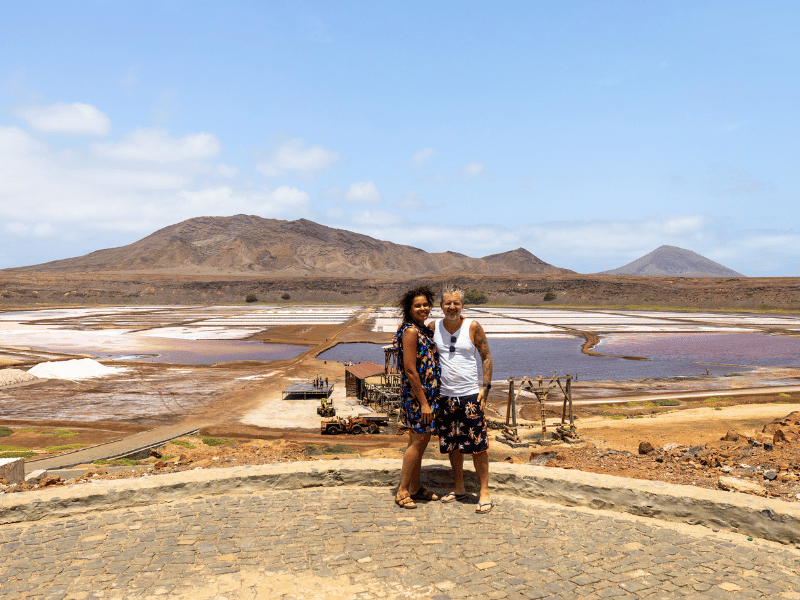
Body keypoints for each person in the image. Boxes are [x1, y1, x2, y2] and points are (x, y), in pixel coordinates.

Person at [430, 284, 494, 513]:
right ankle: (459, 488)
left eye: (456, 303)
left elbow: (486, 357)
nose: (452, 307)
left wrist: (485, 388)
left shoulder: (473, 327)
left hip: (469, 396)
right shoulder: (433, 327)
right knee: (453, 445)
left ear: (462, 305)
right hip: (445, 397)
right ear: (441, 306)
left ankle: (484, 491)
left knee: (478, 445)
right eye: (448, 303)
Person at [393, 286, 441, 509]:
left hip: (427, 396)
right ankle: (402, 490)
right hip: (417, 398)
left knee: (420, 442)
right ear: (409, 309)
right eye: (417, 305)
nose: (423, 308)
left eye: (425, 304)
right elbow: (411, 370)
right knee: (417, 441)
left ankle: (415, 486)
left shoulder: (423, 329)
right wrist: (423, 402)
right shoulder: (411, 332)